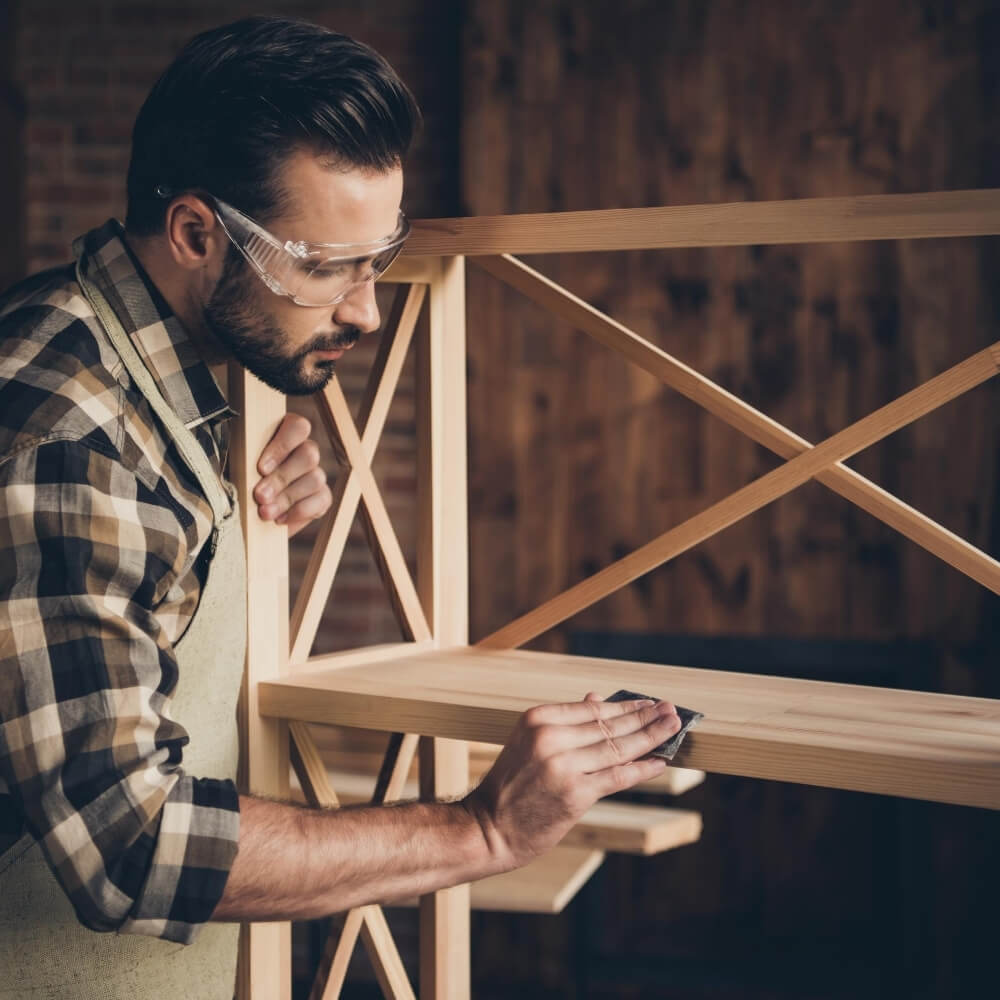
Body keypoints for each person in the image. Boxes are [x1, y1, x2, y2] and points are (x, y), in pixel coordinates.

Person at [0, 15, 682, 998]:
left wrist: (239, 490)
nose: (365, 308)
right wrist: (479, 827)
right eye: (324, 267)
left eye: (379, 258)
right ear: (197, 232)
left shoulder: (157, 363)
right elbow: (127, 843)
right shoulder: (68, 429)